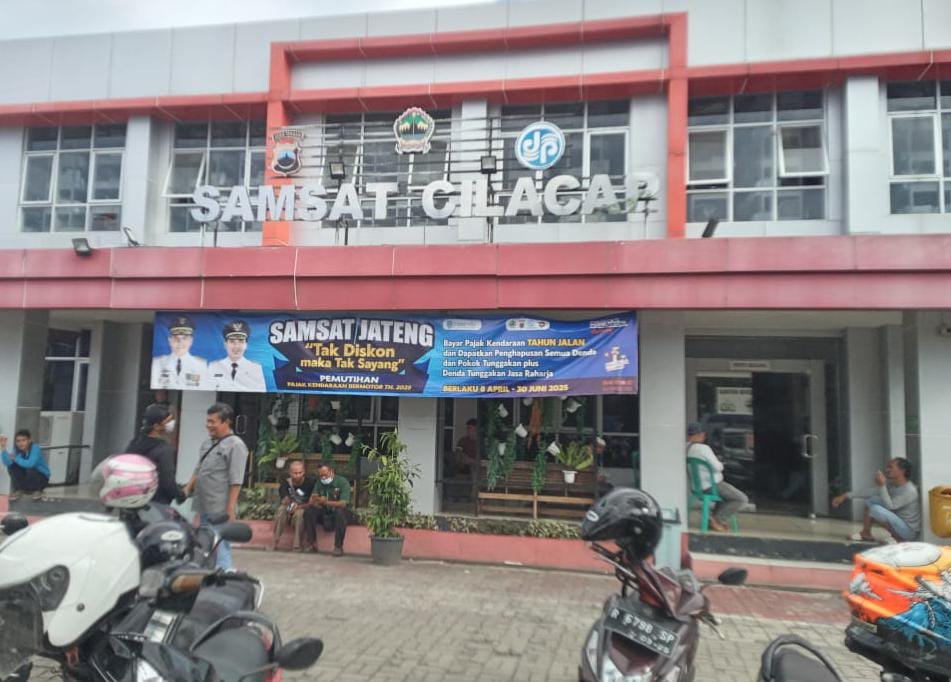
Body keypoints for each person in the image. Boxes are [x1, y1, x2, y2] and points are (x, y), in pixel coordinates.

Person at [183, 403, 249, 570]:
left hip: (220, 507)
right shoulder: (207, 443)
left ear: (226, 422)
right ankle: (208, 572)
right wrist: (187, 488)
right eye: (208, 421)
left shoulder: (236, 445)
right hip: (204, 504)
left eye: (213, 421)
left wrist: (230, 508)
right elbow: (199, 468)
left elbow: (236, 480)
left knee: (220, 542)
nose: (208, 425)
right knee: (205, 541)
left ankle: (224, 572)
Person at [832, 457, 920, 543]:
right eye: (887, 467)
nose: (887, 470)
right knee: (872, 500)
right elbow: (872, 492)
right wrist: (845, 496)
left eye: (890, 467)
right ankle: (866, 533)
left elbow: (891, 506)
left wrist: (882, 486)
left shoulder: (909, 490)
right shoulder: (892, 485)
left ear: (902, 471)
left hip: (908, 531)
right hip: (897, 523)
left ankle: (899, 540)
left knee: (875, 509)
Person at [685, 421, 748, 532]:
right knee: (740, 498)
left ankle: (713, 520)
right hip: (712, 485)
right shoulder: (703, 448)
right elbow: (718, 467)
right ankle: (717, 519)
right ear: (700, 434)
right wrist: (720, 463)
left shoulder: (686, 448)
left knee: (726, 496)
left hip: (697, 488)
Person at [124, 403, 183, 506]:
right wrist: (180, 495)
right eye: (168, 421)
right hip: (156, 503)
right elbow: (168, 481)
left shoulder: (135, 442)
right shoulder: (164, 450)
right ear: (156, 426)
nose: (172, 423)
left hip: (132, 499)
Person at [271, 460, 318, 552]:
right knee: (281, 511)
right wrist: (289, 503)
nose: (297, 475)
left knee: (299, 515)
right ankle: (275, 541)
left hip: (303, 507)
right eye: (295, 473)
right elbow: (284, 499)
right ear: (290, 473)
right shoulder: (286, 483)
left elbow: (312, 502)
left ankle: (297, 544)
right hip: (290, 506)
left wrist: (299, 507)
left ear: (304, 472)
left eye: (300, 472)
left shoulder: (311, 483)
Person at [208, 320, 266, 392]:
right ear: (225, 344)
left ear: (246, 345)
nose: (236, 346)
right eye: (232, 341)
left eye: (241, 341)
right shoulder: (213, 366)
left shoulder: (255, 368)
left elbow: (261, 392)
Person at [151, 315, 207, 389]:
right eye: (175, 338)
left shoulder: (201, 364)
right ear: (169, 340)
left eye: (184, 338)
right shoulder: (157, 362)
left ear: (191, 341)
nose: (180, 342)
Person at [309, 464, 351, 556]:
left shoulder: (342, 482)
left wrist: (326, 502)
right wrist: (315, 500)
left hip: (339, 512)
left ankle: (338, 546)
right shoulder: (319, 483)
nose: (323, 477)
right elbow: (312, 501)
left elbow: (344, 503)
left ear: (332, 471)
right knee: (309, 512)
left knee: (340, 513)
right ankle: (312, 543)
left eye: (325, 474)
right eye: (321, 475)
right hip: (324, 511)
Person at [1, 429, 50, 501]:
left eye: (23, 440)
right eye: (18, 441)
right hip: (28, 480)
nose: (21, 443)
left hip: (41, 479)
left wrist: (16, 459)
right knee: (12, 466)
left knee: (30, 467)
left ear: (29, 440)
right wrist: (3, 448)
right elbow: (7, 463)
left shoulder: (35, 448)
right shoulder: (17, 450)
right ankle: (19, 490)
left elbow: (30, 464)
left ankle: (38, 491)